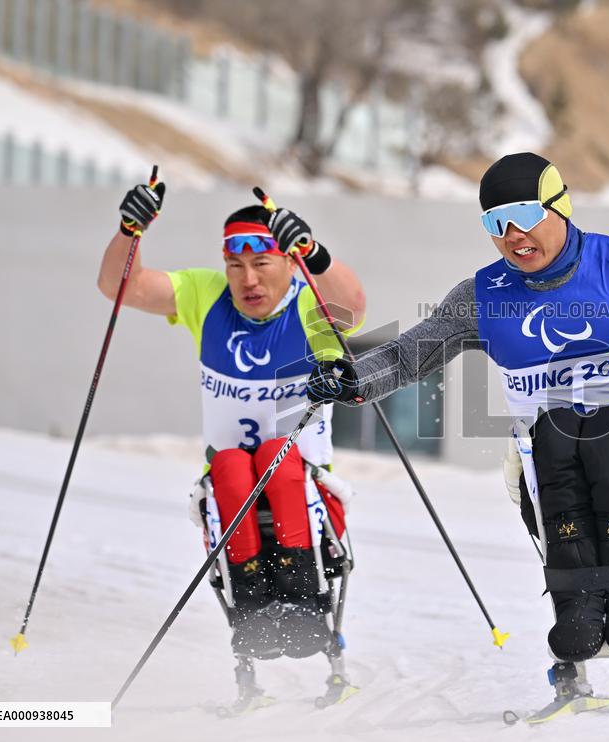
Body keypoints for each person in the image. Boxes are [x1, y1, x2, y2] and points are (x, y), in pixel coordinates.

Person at [304, 152, 609, 663]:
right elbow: (410, 356)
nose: (513, 234)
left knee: (599, 427)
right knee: (557, 433)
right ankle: (577, 608)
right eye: (496, 222)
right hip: (550, 473)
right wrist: (351, 379)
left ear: (560, 207)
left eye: (526, 215)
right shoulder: (483, 296)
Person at [96, 179, 366, 707]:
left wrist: (313, 251)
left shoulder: (311, 302)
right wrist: (130, 232)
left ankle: (302, 601)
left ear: (287, 264)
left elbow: (353, 307)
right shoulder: (205, 294)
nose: (248, 280)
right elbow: (119, 287)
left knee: (273, 454)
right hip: (230, 489)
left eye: (262, 263)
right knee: (233, 466)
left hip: (305, 488)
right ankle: (253, 608)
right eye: (236, 265)